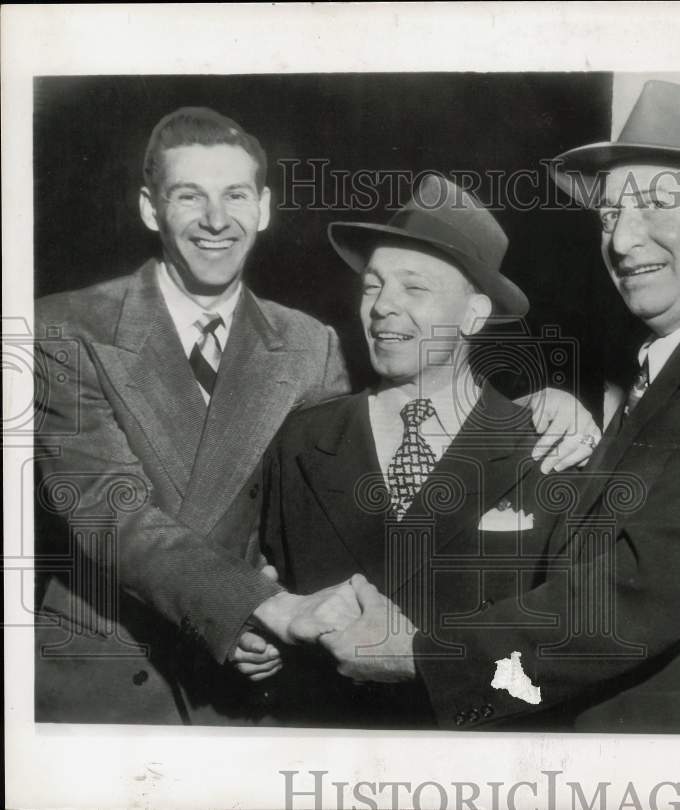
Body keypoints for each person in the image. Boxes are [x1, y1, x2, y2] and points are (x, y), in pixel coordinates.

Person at [315, 81, 680, 736]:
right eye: (607, 215)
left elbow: (645, 590)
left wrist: (422, 654)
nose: (623, 241)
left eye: (654, 204)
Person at [33, 108, 594, 725]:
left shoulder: (309, 345)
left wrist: (538, 409)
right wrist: (260, 608)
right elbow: (110, 507)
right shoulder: (64, 328)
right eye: (190, 195)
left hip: (268, 706)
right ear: (149, 208)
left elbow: (306, 515)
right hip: (111, 685)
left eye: (236, 195)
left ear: (264, 207)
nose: (216, 219)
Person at [254, 174, 570, 728]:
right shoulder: (303, 439)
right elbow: (265, 578)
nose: (382, 306)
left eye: (414, 287)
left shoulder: (547, 446)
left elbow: (567, 652)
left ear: (474, 314)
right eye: (373, 285)